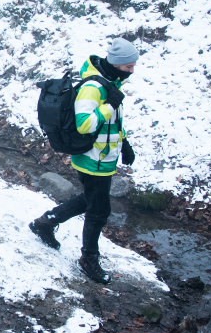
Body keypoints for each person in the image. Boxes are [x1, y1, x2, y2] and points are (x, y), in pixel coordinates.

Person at [29, 37, 138, 284]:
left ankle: (46, 222)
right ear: (116, 63)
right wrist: (109, 105)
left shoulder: (111, 83)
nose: (132, 71)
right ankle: (89, 259)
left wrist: (125, 144)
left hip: (104, 156)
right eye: (128, 66)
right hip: (92, 157)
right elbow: (85, 124)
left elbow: (113, 122)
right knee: (99, 211)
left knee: (90, 199)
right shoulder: (94, 88)